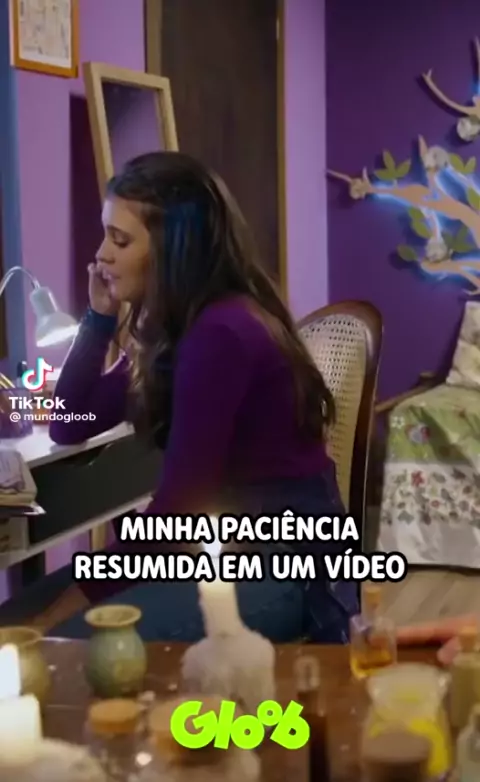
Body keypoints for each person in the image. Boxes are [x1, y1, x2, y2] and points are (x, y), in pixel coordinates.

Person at [44, 151, 358, 642]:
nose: (101, 254)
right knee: (20, 619)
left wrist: (57, 616)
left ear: (173, 249)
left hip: (285, 564)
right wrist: (99, 317)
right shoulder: (175, 330)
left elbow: (178, 511)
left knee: (62, 640)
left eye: (120, 240)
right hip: (218, 548)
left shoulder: (220, 332)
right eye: (105, 234)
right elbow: (70, 422)